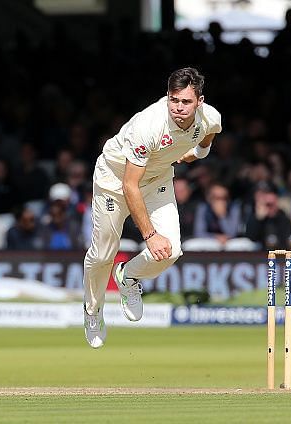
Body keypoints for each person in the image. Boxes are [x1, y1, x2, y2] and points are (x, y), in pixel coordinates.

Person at [83, 68, 222, 348]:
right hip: (115, 180)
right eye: (174, 100)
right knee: (102, 254)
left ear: (200, 101)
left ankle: (129, 274)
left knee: (172, 250)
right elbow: (129, 186)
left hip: (157, 180)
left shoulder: (210, 118)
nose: (179, 108)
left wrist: (195, 154)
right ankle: (92, 310)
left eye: (185, 102)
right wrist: (149, 235)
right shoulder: (149, 125)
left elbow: (207, 138)